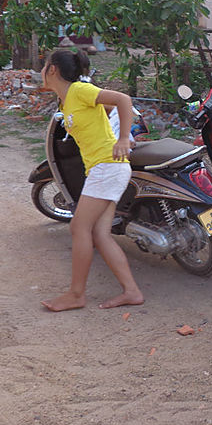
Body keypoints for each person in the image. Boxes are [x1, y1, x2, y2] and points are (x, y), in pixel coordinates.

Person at [39, 49, 145, 312]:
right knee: (99, 233)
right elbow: (107, 111)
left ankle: (76, 295)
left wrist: (123, 139)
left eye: (44, 66)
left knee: (78, 228)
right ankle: (131, 292)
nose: (41, 71)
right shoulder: (67, 100)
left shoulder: (78, 91)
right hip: (101, 168)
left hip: (108, 167)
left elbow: (123, 99)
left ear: (52, 69)